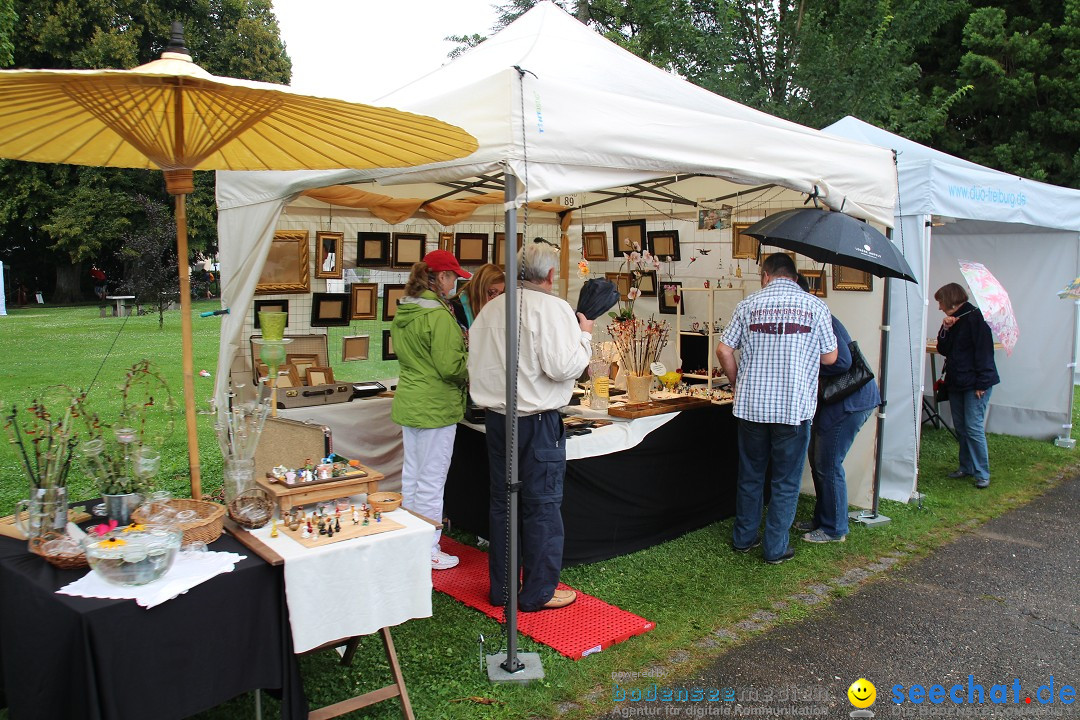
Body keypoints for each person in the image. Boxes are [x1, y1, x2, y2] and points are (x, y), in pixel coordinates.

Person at [468, 241, 593, 610]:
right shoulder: (552, 308)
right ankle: (538, 591)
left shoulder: (491, 309)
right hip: (536, 422)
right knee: (540, 506)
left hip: (496, 421)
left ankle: (502, 589)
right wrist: (584, 333)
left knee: (503, 505)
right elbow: (563, 366)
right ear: (551, 275)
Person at [715, 253, 837, 565]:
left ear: (767, 274)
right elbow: (830, 358)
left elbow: (724, 349)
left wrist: (735, 382)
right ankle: (775, 547)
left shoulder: (749, 304)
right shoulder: (815, 306)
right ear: (794, 276)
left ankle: (744, 538)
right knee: (786, 481)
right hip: (792, 408)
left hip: (753, 406)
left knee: (751, 475)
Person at [390, 249, 471, 570]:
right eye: (452, 276)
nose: (455, 283)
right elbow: (451, 366)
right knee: (432, 481)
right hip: (436, 406)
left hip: (411, 401)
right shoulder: (438, 315)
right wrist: (475, 358)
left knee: (412, 477)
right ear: (439, 277)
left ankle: (410, 543)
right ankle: (428, 549)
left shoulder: (406, 309)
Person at [796, 274, 880, 543]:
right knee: (819, 460)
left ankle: (834, 529)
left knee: (828, 463)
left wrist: (807, 362)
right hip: (836, 402)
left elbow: (842, 361)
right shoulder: (810, 316)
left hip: (849, 402)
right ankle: (823, 518)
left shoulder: (821, 317)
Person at [934, 282, 999, 489]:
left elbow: (985, 352)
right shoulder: (956, 320)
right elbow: (943, 348)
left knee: (973, 427)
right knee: (961, 427)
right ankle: (966, 467)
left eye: (941, 301)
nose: (939, 307)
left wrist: (982, 383)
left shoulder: (976, 318)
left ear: (950, 299)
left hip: (975, 383)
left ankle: (982, 473)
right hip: (957, 381)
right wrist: (945, 328)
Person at [449, 263, 505, 329]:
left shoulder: (495, 310)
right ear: (479, 288)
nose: (495, 299)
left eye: (500, 294)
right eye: (492, 292)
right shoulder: (456, 309)